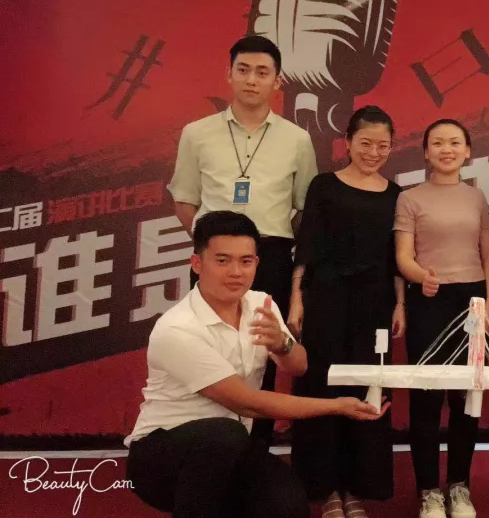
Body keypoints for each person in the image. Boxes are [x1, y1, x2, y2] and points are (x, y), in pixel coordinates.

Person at [124, 211, 386, 518]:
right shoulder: (177, 328)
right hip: (160, 455)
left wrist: (282, 344)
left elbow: (299, 366)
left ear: (257, 264)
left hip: (230, 447)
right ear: (197, 264)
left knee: (287, 504)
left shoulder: (260, 304)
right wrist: (338, 406)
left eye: (246, 261)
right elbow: (247, 403)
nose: (236, 272)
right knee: (223, 435)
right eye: (223, 261)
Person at [168, 35, 318, 444]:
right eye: (244, 70)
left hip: (270, 256)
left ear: (277, 81)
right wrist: (213, 250)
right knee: (206, 349)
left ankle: (255, 454)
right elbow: (184, 200)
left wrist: (264, 252)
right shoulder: (197, 133)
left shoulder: (297, 139)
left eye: (262, 72)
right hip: (214, 257)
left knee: (262, 355)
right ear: (229, 74)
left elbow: (303, 209)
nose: (252, 80)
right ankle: (205, 446)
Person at [287, 106, 405, 518]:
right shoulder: (324, 186)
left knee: (368, 387)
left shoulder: (396, 194)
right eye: (365, 143)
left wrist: (401, 304)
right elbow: (307, 246)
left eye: (382, 145)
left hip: (375, 304)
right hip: (326, 299)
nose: (374, 152)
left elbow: (395, 257)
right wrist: (296, 298)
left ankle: (357, 488)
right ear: (348, 143)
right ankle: (324, 489)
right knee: (321, 386)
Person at [394, 119, 489, 518]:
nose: (447, 149)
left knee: (465, 399)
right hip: (429, 299)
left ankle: (459, 486)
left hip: (471, 301)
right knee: (426, 399)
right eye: (437, 143)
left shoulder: (476, 197)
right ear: (425, 152)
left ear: (468, 151)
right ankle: (428, 491)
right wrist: (421, 276)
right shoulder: (409, 198)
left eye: (455, 143)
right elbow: (403, 256)